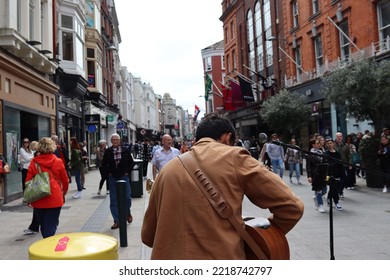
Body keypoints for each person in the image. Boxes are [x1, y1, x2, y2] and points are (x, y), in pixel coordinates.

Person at [141, 113, 304, 259]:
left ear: (197, 139)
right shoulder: (235, 158)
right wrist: (265, 236)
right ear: (228, 138)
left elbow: (148, 236)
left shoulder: (166, 171)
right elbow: (292, 207)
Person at [25, 137, 69, 238]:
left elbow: (28, 181)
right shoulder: (58, 161)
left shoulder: (34, 162)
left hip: (38, 198)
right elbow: (65, 180)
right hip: (55, 198)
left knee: (43, 226)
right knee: (51, 225)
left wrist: (28, 197)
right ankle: (49, 248)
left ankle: (46, 244)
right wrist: (64, 192)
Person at [101, 133, 134, 230]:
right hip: (113, 178)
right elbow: (104, 164)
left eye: (116, 140)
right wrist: (108, 173)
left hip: (124, 176)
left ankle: (127, 212)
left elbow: (131, 163)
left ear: (119, 141)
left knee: (127, 197)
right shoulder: (108, 151)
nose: (115, 141)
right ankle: (117, 220)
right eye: (113, 140)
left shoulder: (125, 150)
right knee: (114, 200)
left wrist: (127, 172)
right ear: (111, 141)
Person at [22, 140, 40, 235]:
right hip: (50, 188)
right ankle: (36, 226)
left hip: (38, 186)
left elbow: (28, 179)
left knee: (38, 207)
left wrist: (28, 196)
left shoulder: (35, 158)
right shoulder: (55, 159)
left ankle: (35, 227)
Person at [306, 138, 328, 213]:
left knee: (324, 190)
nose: (319, 144)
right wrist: (309, 176)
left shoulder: (321, 151)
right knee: (319, 190)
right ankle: (320, 205)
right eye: (317, 143)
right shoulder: (310, 154)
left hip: (323, 172)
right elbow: (308, 166)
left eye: (319, 143)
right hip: (316, 174)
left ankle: (316, 198)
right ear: (313, 145)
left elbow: (325, 161)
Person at [325, 138, 343, 210]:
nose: (330, 145)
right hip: (329, 174)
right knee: (333, 187)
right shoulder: (326, 153)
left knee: (334, 187)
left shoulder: (337, 153)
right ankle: (336, 202)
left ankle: (329, 198)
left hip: (337, 173)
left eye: (331, 143)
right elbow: (326, 163)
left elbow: (340, 163)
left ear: (333, 144)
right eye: (328, 143)